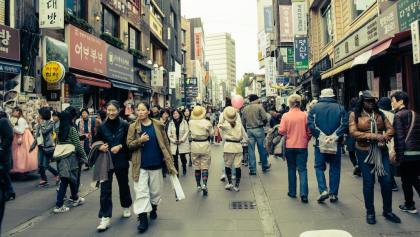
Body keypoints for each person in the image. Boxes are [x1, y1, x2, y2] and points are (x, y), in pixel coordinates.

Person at [349, 90, 401, 225]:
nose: (371, 103)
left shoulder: (380, 114)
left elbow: (391, 129)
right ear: (362, 101)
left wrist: (385, 137)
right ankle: (370, 212)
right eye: (368, 101)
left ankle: (387, 211)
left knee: (387, 181)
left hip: (380, 151)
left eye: (373, 101)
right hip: (363, 152)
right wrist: (374, 136)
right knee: (368, 183)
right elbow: (353, 132)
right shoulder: (354, 115)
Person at [127, 102, 177, 233]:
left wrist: (170, 160)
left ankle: (153, 207)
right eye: (138, 110)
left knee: (155, 192)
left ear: (148, 111)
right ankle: (143, 219)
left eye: (143, 110)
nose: (140, 112)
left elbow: (165, 144)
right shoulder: (133, 127)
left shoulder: (158, 125)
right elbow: (129, 144)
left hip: (156, 165)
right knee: (141, 192)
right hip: (140, 166)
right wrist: (140, 141)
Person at [94, 101, 133, 232]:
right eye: (108, 110)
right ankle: (105, 217)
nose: (111, 113)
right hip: (106, 160)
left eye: (113, 110)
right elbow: (95, 140)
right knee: (105, 189)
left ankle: (126, 205)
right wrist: (100, 146)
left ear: (119, 110)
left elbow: (129, 141)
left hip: (121, 159)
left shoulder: (125, 125)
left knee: (123, 184)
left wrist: (121, 146)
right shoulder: (101, 126)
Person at [308, 88, 348, 203]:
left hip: (319, 144)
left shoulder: (314, 108)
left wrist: (322, 137)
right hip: (336, 143)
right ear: (333, 96)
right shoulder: (340, 108)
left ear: (321, 96)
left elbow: (311, 125)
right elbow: (344, 124)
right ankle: (333, 194)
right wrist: (333, 137)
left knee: (319, 167)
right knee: (335, 168)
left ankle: (323, 190)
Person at [391, 91, 420, 214]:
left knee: (408, 180)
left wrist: (399, 157)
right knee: (413, 179)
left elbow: (399, 138)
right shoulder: (416, 114)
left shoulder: (398, 116)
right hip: (417, 153)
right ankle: (409, 204)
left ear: (401, 101)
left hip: (406, 154)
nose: (392, 103)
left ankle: (410, 205)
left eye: (393, 100)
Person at [279, 94, 311, 203]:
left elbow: (281, 131)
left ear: (290, 104)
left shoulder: (285, 116)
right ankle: (304, 194)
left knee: (291, 169)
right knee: (302, 169)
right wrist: (306, 138)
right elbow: (309, 130)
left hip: (290, 146)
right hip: (302, 145)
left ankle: (292, 192)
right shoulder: (305, 115)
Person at [53, 112, 86, 213]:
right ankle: (59, 205)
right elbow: (78, 145)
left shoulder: (58, 130)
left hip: (60, 158)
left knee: (69, 179)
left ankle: (75, 198)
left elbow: (57, 143)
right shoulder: (72, 129)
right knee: (66, 180)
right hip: (71, 158)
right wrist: (85, 157)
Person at [218, 106, 245, 192]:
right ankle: (237, 185)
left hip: (228, 146)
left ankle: (229, 183)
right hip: (238, 147)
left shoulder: (225, 125)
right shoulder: (239, 125)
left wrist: (223, 117)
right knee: (238, 166)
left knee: (227, 165)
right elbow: (243, 136)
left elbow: (219, 125)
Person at [242, 94, 269, 175]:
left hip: (249, 130)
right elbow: (265, 118)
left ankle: (253, 170)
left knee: (251, 151)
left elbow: (243, 121)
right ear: (256, 99)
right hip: (259, 129)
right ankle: (264, 166)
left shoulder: (245, 109)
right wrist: (263, 124)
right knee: (262, 149)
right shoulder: (259, 107)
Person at [189, 106, 214, 196]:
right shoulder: (207, 123)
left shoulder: (190, 122)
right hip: (204, 144)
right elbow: (212, 134)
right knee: (205, 165)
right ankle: (204, 184)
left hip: (195, 145)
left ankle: (198, 185)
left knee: (196, 166)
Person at [32, 108, 59, 187]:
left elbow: (44, 131)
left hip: (48, 146)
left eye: (40, 114)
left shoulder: (51, 123)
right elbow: (37, 135)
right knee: (40, 165)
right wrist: (33, 145)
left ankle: (57, 174)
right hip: (40, 146)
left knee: (45, 165)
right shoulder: (39, 123)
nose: (38, 116)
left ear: (43, 115)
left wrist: (40, 123)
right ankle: (44, 179)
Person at [378, 97, 398, 191]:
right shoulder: (393, 115)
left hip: (381, 140)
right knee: (389, 161)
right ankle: (390, 181)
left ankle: (391, 183)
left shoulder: (379, 113)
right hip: (391, 140)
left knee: (383, 161)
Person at [10, 107, 38, 173]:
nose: (12, 113)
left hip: (23, 138)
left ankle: (21, 167)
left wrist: (13, 127)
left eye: (13, 111)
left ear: (17, 112)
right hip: (24, 137)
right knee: (22, 153)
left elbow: (21, 131)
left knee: (22, 153)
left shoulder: (21, 120)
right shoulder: (20, 119)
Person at [0, 110, 14, 232]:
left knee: (4, 174)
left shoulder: (3, 121)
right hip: (4, 158)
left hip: (3, 159)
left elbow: (9, 137)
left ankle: (10, 191)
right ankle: (10, 191)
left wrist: (1, 148)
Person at [167, 109, 190, 176]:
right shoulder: (170, 123)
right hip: (174, 143)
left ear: (179, 114)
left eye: (176, 113)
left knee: (183, 157)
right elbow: (169, 133)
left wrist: (182, 140)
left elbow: (186, 131)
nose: (175, 115)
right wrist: (173, 141)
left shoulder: (184, 122)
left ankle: (184, 168)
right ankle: (176, 172)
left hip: (182, 142)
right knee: (175, 158)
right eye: (174, 114)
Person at [346, 98, 361, 176]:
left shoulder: (349, 113)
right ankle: (359, 165)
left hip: (351, 135)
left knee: (351, 152)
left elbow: (346, 124)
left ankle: (356, 165)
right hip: (360, 134)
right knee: (359, 151)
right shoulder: (362, 112)